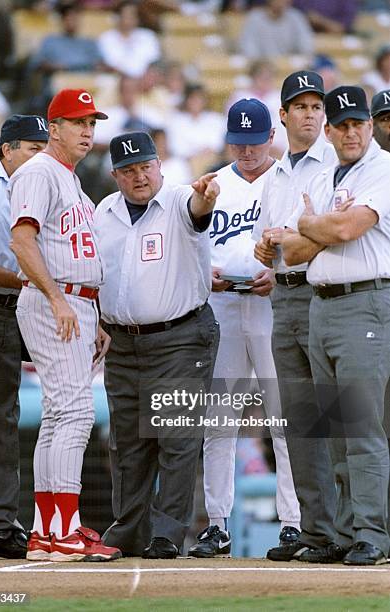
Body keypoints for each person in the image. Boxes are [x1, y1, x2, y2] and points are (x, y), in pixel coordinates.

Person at [95, 131, 220, 558]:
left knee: (176, 437)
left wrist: (207, 197)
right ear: (115, 175)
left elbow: (199, 210)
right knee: (128, 442)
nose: (139, 176)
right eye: (128, 170)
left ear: (159, 165)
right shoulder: (103, 212)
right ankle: (129, 528)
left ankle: (166, 532)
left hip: (180, 338)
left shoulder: (181, 200)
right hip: (124, 343)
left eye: (145, 166)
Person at [9, 89, 122, 563]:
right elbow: (21, 238)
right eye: (77, 122)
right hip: (55, 299)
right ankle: (63, 531)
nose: (87, 130)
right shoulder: (39, 171)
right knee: (73, 413)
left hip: (76, 302)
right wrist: (59, 299)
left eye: (91, 122)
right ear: (53, 128)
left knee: (60, 414)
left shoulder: (69, 179)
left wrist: (89, 311)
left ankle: (47, 531)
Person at [187, 98, 300, 558]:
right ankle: (217, 524)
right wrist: (203, 273)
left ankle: (294, 523)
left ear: (271, 136)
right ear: (229, 139)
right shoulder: (212, 184)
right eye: (240, 142)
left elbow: (306, 240)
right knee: (220, 422)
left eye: (255, 142)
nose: (247, 151)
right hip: (224, 306)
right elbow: (191, 244)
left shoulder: (288, 179)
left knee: (283, 419)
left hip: (272, 305)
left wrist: (280, 270)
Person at [282, 85, 390, 565]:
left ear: (370, 126)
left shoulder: (383, 168)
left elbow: (345, 230)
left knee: (363, 428)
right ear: (328, 131)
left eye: (358, 124)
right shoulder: (328, 174)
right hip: (322, 304)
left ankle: (373, 534)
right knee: (338, 432)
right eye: (342, 125)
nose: (351, 132)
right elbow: (294, 250)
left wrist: (314, 222)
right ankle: (347, 534)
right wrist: (316, 225)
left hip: (366, 300)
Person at [253, 70, 339, 563]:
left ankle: (348, 530)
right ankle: (315, 530)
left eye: (316, 106)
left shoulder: (335, 164)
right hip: (282, 299)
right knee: (299, 423)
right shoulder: (277, 172)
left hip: (322, 295)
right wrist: (265, 249)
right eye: (300, 107)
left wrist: (285, 242)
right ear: (282, 115)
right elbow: (271, 245)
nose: (310, 114)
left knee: (337, 417)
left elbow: (324, 237)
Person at [0, 114, 48, 562]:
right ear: (6, 149)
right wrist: (25, 280)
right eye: (33, 148)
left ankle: (0, 525)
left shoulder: (40, 189)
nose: (42, 156)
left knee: (3, 420)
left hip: (13, 311)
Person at [98, 0, 161, 78]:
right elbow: (108, 64)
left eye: (133, 15)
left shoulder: (148, 36)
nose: (130, 18)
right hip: (116, 78)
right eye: (126, 14)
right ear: (118, 17)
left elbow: (154, 62)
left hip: (144, 80)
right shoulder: (106, 37)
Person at [238, 0, 314, 61]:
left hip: (288, 67)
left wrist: (287, 62)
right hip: (261, 68)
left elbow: (307, 46)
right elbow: (248, 49)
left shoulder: (296, 17)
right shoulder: (254, 18)